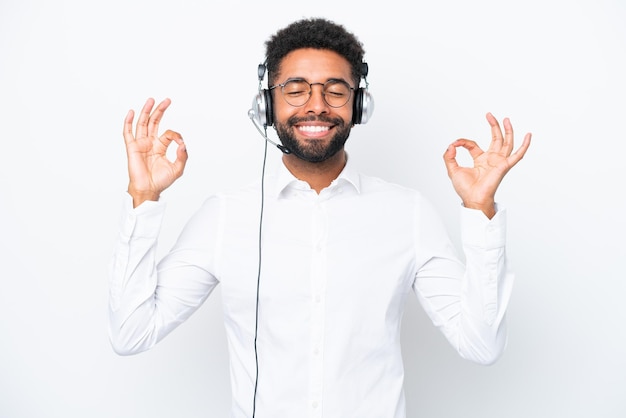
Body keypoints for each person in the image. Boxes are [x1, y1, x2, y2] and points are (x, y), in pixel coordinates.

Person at [108, 17, 531, 418]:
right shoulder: (224, 216)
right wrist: (143, 197)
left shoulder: (408, 213)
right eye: (295, 89)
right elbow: (131, 333)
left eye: (335, 90)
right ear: (266, 104)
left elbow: (481, 344)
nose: (316, 106)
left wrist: (480, 210)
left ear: (359, 103)